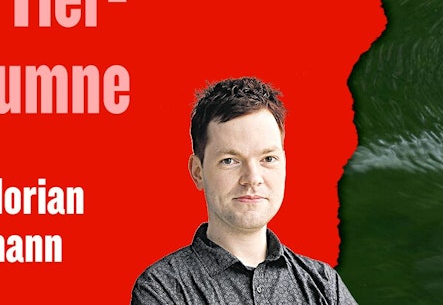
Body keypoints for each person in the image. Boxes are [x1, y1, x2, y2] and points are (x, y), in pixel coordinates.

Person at [132, 77, 356, 305]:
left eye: (268, 158)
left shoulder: (324, 284)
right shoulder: (163, 289)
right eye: (230, 160)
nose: (252, 179)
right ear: (198, 172)